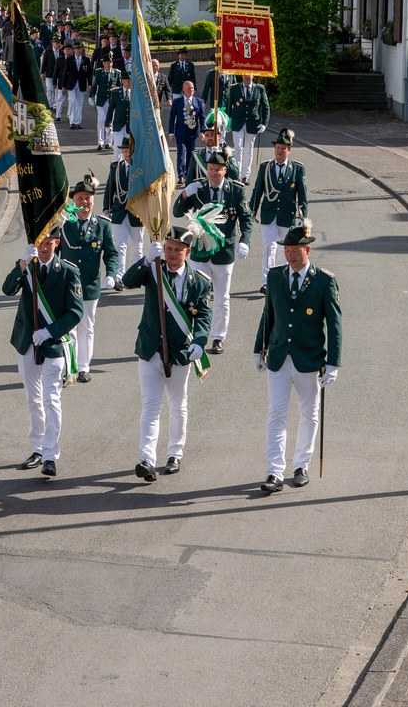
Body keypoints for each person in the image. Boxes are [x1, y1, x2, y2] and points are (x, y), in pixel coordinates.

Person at [254, 223, 342, 494]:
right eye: (287, 250)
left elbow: (335, 324)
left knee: (309, 414)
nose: (290, 256)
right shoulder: (276, 276)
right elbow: (268, 314)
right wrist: (259, 347)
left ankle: (301, 465)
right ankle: (274, 472)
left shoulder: (324, 281)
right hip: (280, 356)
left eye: (295, 251)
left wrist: (334, 362)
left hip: (308, 358)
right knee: (276, 414)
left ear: (307, 250)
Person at [122, 227, 212, 482]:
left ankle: (175, 453)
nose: (172, 254)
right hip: (150, 349)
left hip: (179, 352)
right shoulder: (153, 271)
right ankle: (146, 458)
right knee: (150, 406)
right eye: (169, 248)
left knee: (177, 405)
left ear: (187, 252)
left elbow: (204, 316)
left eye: (177, 250)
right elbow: (127, 281)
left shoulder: (200, 283)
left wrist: (201, 341)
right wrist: (147, 258)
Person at [0, 233, 83, 477]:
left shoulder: (68, 271)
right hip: (26, 340)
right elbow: (7, 289)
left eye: (49, 244)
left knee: (51, 399)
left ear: (57, 243)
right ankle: (37, 448)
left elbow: (75, 312)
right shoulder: (28, 266)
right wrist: (22, 265)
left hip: (54, 344)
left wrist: (49, 332)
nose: (44, 248)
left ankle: (50, 454)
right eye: (40, 244)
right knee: (32, 399)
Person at [174, 150, 251, 354]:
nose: (213, 173)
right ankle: (195, 335)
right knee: (197, 295)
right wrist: (185, 193)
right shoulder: (198, 188)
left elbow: (246, 218)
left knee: (221, 297)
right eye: (210, 169)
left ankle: (218, 337)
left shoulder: (235, 190)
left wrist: (245, 241)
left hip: (223, 253)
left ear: (225, 170)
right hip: (200, 252)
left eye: (217, 169)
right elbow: (176, 212)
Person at [59, 177, 121, 384]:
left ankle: (84, 367)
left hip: (90, 283)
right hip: (67, 284)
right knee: (69, 326)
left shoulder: (102, 225)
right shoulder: (63, 222)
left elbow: (112, 253)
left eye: (88, 198)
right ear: (73, 201)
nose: (84, 202)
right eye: (80, 198)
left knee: (86, 325)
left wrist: (112, 274)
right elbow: (54, 250)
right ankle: (70, 365)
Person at [251, 129, 307, 288]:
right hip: (269, 214)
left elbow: (302, 196)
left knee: (285, 250)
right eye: (277, 148)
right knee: (270, 247)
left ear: (289, 151)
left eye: (283, 148)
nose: (280, 151)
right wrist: (251, 211)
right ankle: (266, 282)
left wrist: (304, 220)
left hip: (287, 216)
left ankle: (281, 279)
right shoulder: (265, 167)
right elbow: (257, 191)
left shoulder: (297, 169)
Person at [104, 135, 143, 273]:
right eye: (125, 151)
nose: (127, 154)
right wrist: (106, 208)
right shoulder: (116, 167)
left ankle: (133, 275)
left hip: (137, 212)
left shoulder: (141, 168)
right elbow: (110, 188)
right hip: (119, 211)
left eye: (129, 150)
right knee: (119, 246)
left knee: (137, 247)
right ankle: (119, 276)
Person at [227, 76, 271, 178]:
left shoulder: (260, 88)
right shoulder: (234, 88)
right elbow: (229, 105)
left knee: (249, 148)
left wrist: (264, 123)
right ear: (242, 75)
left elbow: (265, 107)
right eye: (245, 74)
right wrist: (227, 121)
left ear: (253, 75)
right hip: (237, 122)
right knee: (238, 147)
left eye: (249, 74)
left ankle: (245, 175)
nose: (247, 76)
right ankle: (237, 174)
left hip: (252, 123)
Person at [168, 80, 206, 182]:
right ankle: (181, 175)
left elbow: (202, 119)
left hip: (193, 134)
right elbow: (172, 118)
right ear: (183, 90)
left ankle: (189, 174)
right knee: (181, 153)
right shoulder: (177, 102)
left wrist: (203, 131)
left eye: (192, 88)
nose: (191, 90)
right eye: (188, 88)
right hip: (180, 133)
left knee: (191, 154)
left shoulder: (199, 102)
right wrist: (171, 133)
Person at [91, 55, 117, 150]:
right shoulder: (99, 72)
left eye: (110, 62)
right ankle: (100, 142)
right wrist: (91, 96)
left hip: (111, 101)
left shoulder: (116, 73)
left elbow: (118, 87)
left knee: (110, 121)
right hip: (101, 100)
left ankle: (108, 142)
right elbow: (94, 85)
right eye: (106, 63)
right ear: (103, 63)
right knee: (101, 120)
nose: (109, 64)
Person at [107, 72, 133, 162]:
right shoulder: (116, 93)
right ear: (122, 81)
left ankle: (127, 170)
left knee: (130, 150)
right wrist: (108, 123)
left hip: (130, 127)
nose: (129, 83)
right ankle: (116, 170)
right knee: (118, 149)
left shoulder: (135, 94)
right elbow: (111, 109)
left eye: (130, 81)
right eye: (127, 81)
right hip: (118, 125)